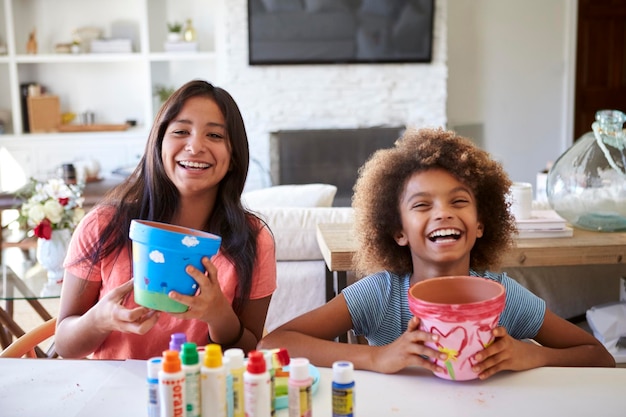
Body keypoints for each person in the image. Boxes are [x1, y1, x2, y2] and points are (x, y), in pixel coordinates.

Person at [259, 127, 615, 378]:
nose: (443, 212)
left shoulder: (503, 298)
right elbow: (273, 345)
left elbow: (598, 358)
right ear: (398, 231)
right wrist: (377, 357)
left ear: (480, 224)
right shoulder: (380, 294)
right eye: (422, 205)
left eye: (459, 201)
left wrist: (533, 355)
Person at [55, 80, 276, 360]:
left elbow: (249, 353)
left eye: (216, 136)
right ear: (159, 143)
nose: (195, 147)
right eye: (181, 131)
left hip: (202, 395)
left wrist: (220, 316)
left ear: (233, 156)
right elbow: (64, 345)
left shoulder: (254, 239)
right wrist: (100, 318)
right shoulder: (102, 225)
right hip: (112, 395)